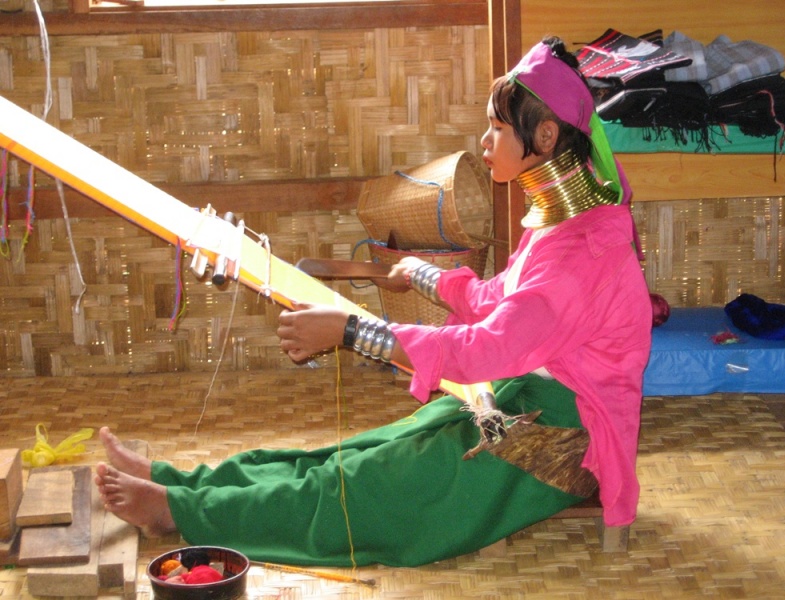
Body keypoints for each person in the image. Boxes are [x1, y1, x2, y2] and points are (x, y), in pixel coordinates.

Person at [95, 37, 652, 568]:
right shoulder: (562, 227)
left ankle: (177, 511)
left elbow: (487, 347)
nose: (485, 141)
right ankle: (179, 485)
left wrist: (350, 331)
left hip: (563, 443)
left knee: (363, 488)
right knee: (351, 458)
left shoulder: (582, 252)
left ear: (546, 137)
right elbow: (497, 300)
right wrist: (423, 275)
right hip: (523, 402)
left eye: (498, 128)